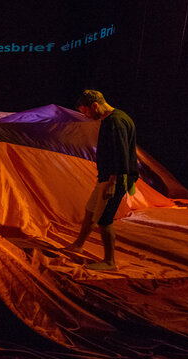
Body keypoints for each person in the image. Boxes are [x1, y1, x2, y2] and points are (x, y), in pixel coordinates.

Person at [64, 90, 138, 271]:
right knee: (90, 210)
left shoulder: (115, 122)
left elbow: (120, 154)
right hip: (107, 176)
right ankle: (78, 244)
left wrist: (113, 183)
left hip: (115, 178)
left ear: (95, 106)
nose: (85, 115)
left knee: (105, 220)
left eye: (86, 111)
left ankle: (109, 261)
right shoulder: (117, 117)